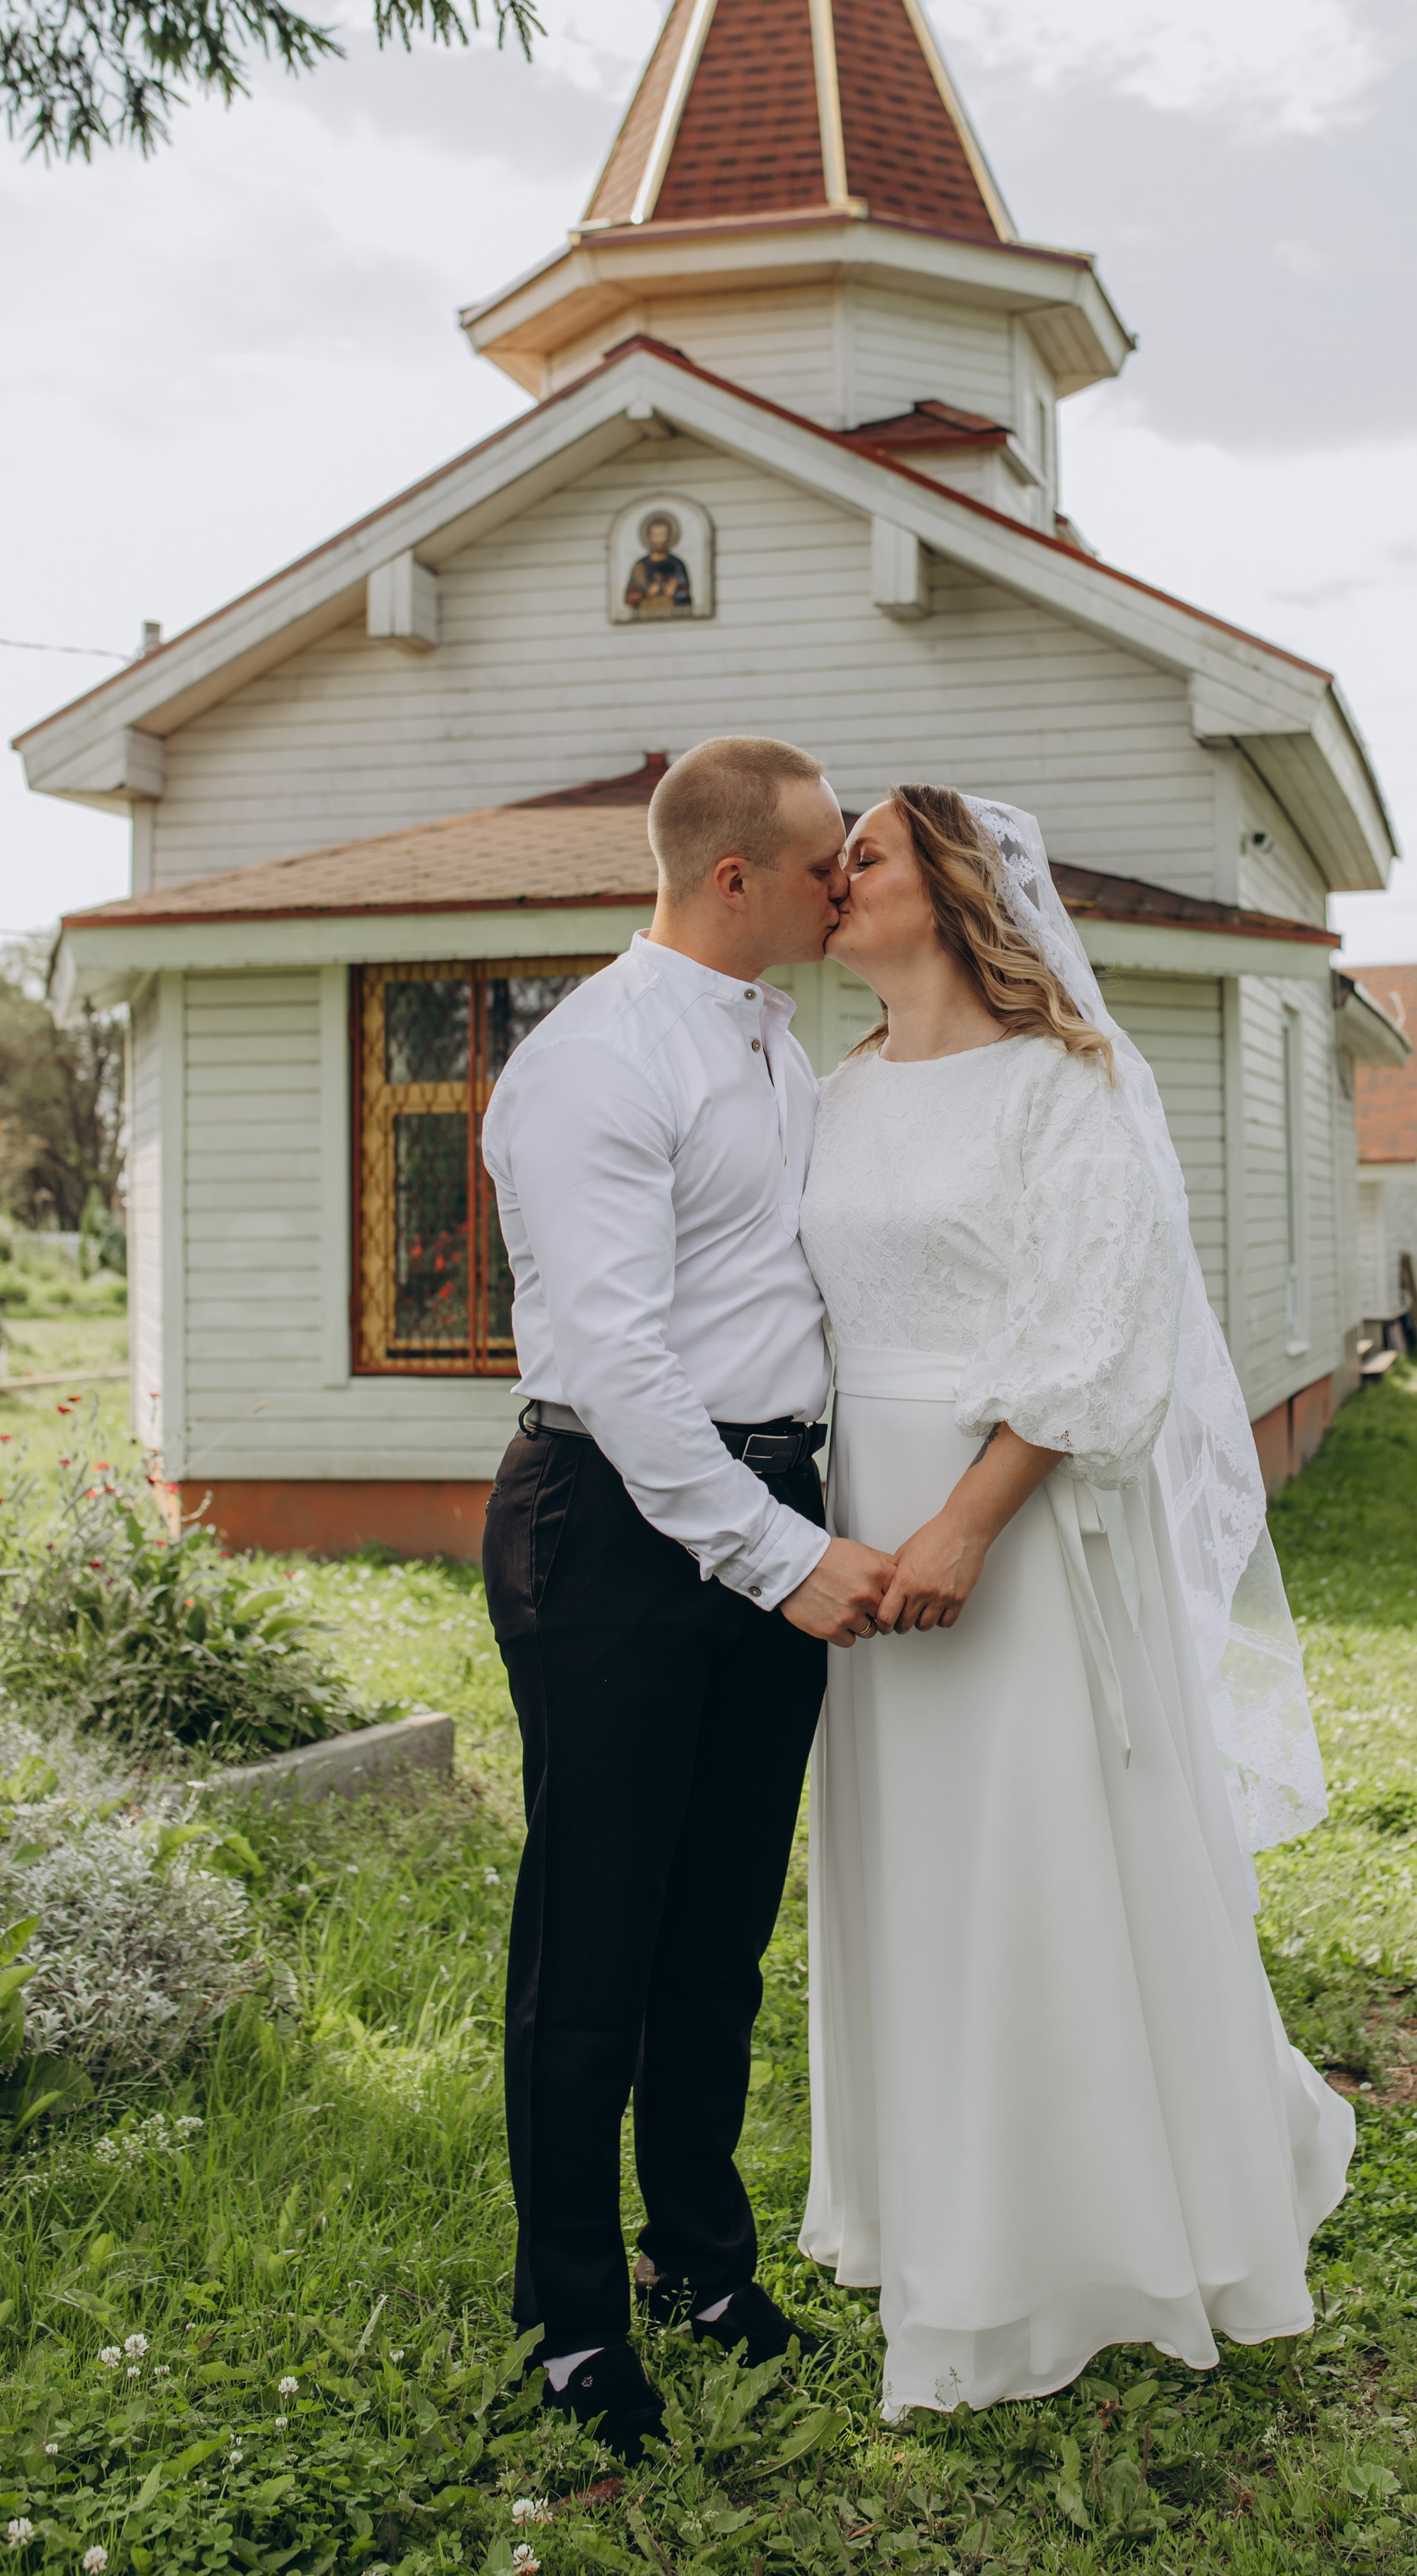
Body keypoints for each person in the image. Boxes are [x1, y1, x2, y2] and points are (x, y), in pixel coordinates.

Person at [797, 786, 1354, 2420]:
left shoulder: (1065, 1087)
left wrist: (967, 1527)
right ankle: (928, 2217)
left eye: (870, 854)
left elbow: (1097, 1332)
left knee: (1033, 1862)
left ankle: (1074, 2242)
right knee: (911, 1872)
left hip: (1012, 1527)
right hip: (856, 1524)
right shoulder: (831, 1096)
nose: (837, 876)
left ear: (955, 889)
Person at [481, 735, 895, 2464]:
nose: (844, 889)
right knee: (598, 1935)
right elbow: (619, 1364)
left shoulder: (783, 1051)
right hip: (621, 1526)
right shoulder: (594, 1063)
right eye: (823, 867)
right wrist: (785, 1557)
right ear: (735, 877)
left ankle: (698, 2264)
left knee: (717, 1928)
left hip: (764, 1508)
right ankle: (570, 2317)